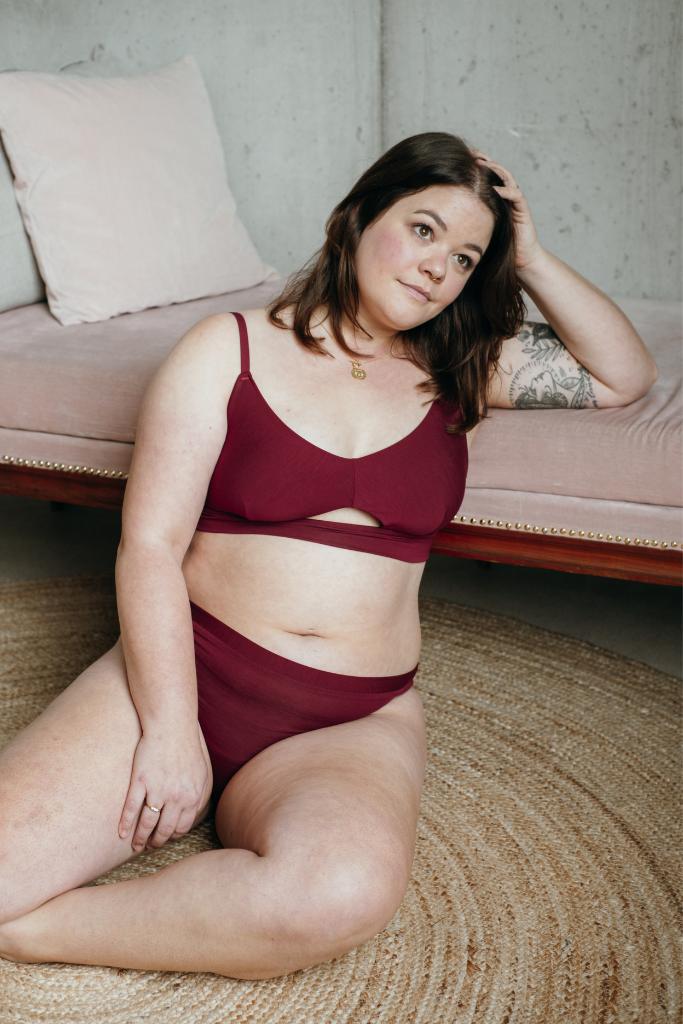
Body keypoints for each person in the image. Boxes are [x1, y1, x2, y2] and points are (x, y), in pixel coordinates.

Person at [0, 132, 657, 978]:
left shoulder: (460, 367)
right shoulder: (226, 348)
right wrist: (168, 731)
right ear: (355, 218)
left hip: (353, 717)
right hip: (189, 673)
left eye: (464, 258)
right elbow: (149, 547)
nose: (436, 269)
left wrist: (526, 255)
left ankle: (28, 936)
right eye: (422, 230)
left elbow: (622, 374)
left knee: (334, 894)